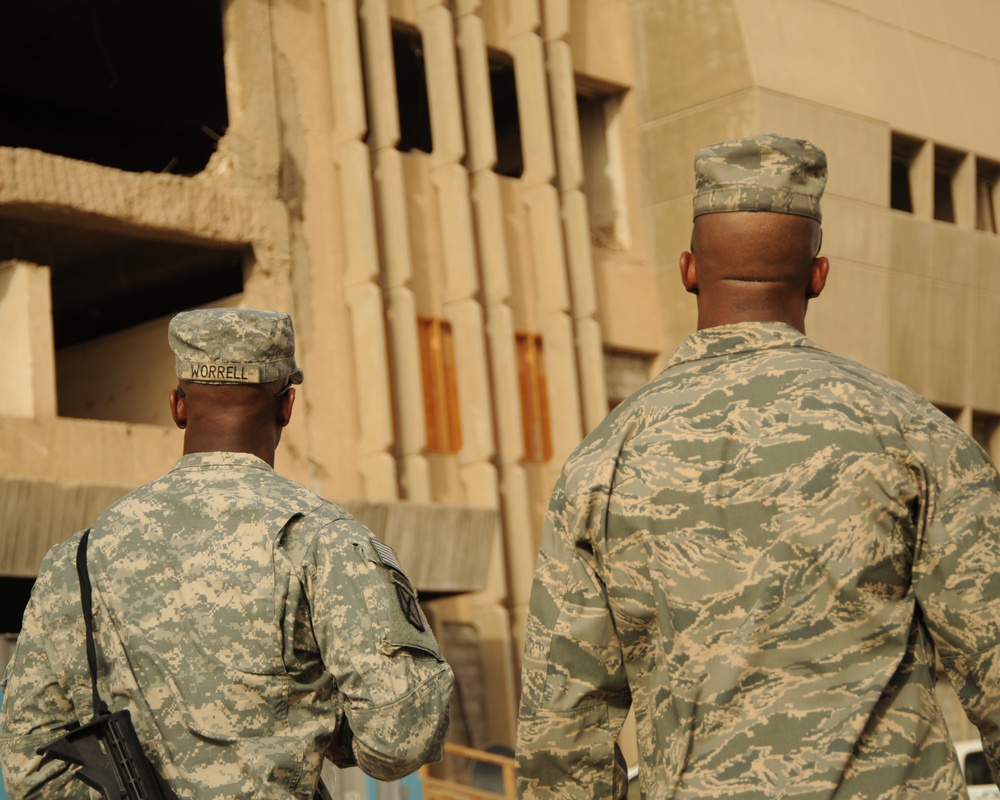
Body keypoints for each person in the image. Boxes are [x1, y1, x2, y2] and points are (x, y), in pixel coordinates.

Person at [515, 134, 1000, 799]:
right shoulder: (912, 434)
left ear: (688, 270)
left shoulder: (603, 461)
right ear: (818, 275)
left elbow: (561, 732)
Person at [0, 308, 454, 799]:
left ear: (177, 406)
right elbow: (403, 737)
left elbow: (30, 761)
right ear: (287, 407)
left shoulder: (78, 557)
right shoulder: (324, 540)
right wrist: (338, 734)